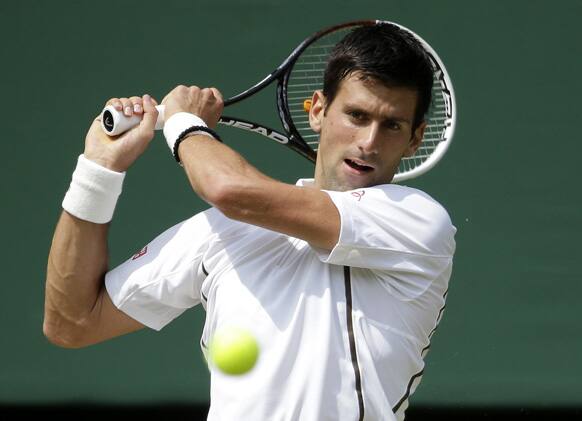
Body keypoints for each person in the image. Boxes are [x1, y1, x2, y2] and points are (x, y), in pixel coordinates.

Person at [44, 23, 456, 421]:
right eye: (356, 115)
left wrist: (186, 124)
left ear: (415, 139)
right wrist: (97, 171)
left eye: (392, 125)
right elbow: (73, 323)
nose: (369, 142)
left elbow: (227, 189)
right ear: (317, 110)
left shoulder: (418, 222)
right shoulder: (221, 233)